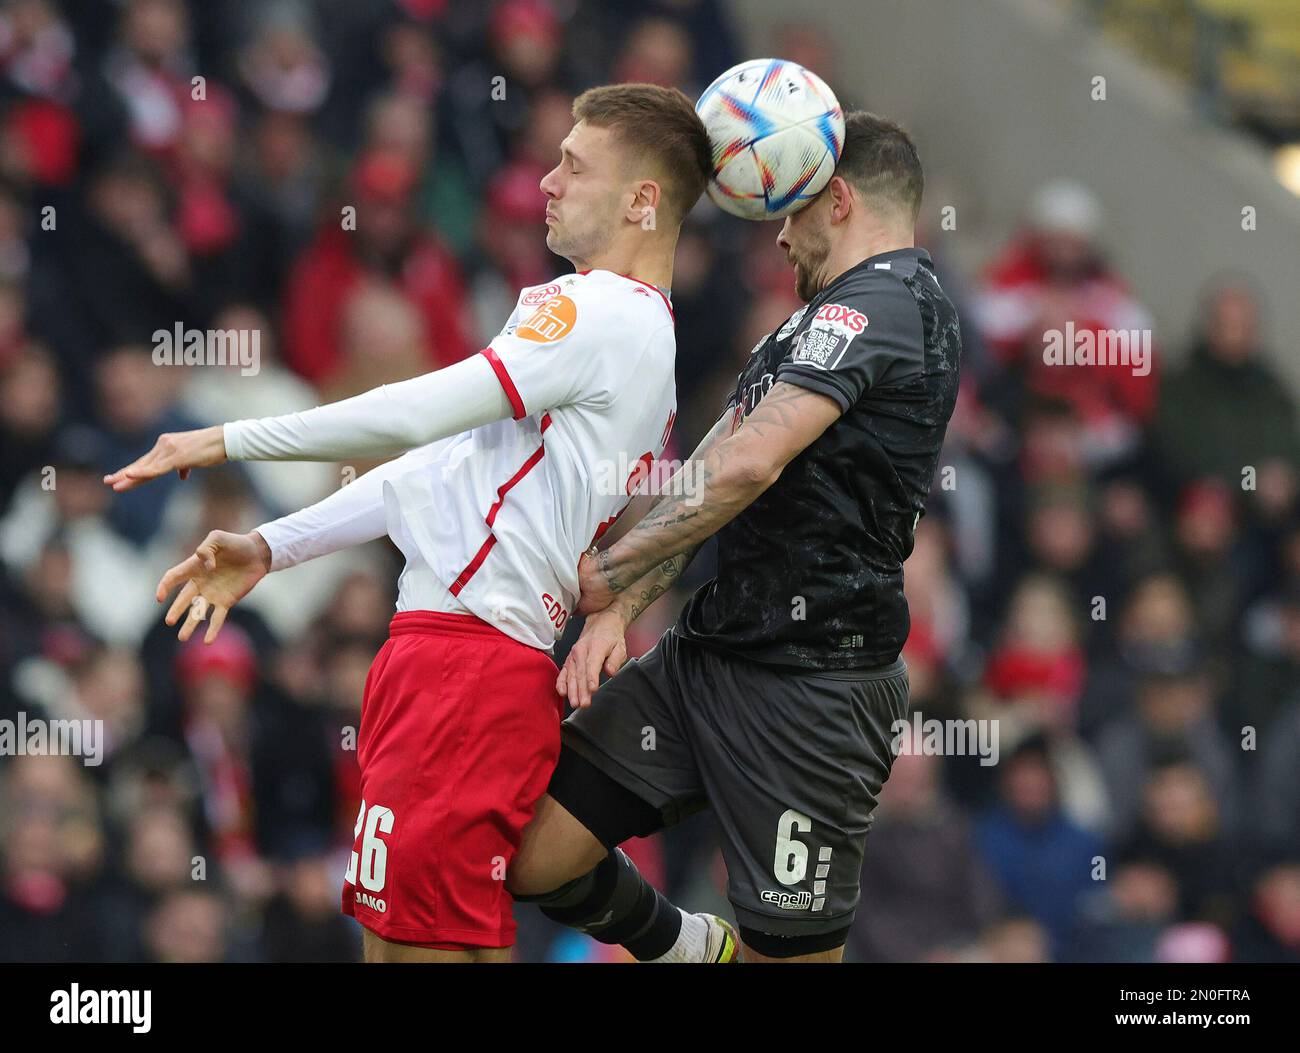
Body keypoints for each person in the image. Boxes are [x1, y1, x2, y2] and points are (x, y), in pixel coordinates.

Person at [102, 84, 721, 963]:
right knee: (402, 942)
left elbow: (409, 414)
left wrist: (225, 437)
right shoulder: (634, 338)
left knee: (414, 950)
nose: (546, 181)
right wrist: (274, 544)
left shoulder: (596, 311)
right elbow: (433, 470)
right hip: (447, 655)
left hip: (466, 668)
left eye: (572, 166)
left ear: (642, 199)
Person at [503, 111, 962, 963]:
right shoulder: (814, 320)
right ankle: (689, 950)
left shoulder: (893, 301)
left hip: (811, 692)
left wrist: (607, 569)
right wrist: (620, 608)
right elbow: (712, 471)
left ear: (839, 199)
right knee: (532, 855)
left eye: (790, 211)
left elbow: (751, 463)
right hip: (703, 658)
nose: (780, 237)